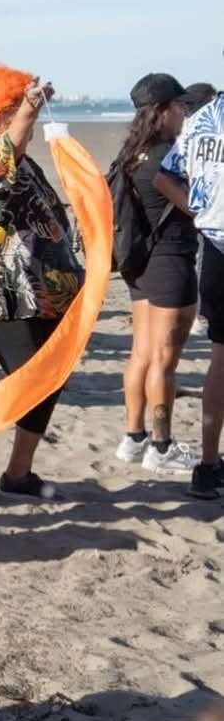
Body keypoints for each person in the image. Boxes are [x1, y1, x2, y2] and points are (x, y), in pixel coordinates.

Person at [0, 65, 83, 500]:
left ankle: (18, 474)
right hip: (7, 293)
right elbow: (5, 154)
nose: (22, 114)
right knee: (30, 378)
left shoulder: (20, 159)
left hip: (46, 290)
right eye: (12, 107)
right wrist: (29, 109)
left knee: (49, 381)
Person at [113, 74, 199, 475]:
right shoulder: (169, 157)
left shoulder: (132, 154)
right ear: (162, 111)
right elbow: (199, 208)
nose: (184, 113)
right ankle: (161, 446)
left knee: (142, 354)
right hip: (170, 263)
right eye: (180, 106)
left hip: (139, 264)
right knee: (165, 361)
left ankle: (134, 438)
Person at [156, 82, 224, 499]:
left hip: (214, 248)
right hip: (217, 245)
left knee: (221, 357)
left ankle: (209, 464)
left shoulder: (201, 120)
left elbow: (165, 176)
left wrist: (199, 211)